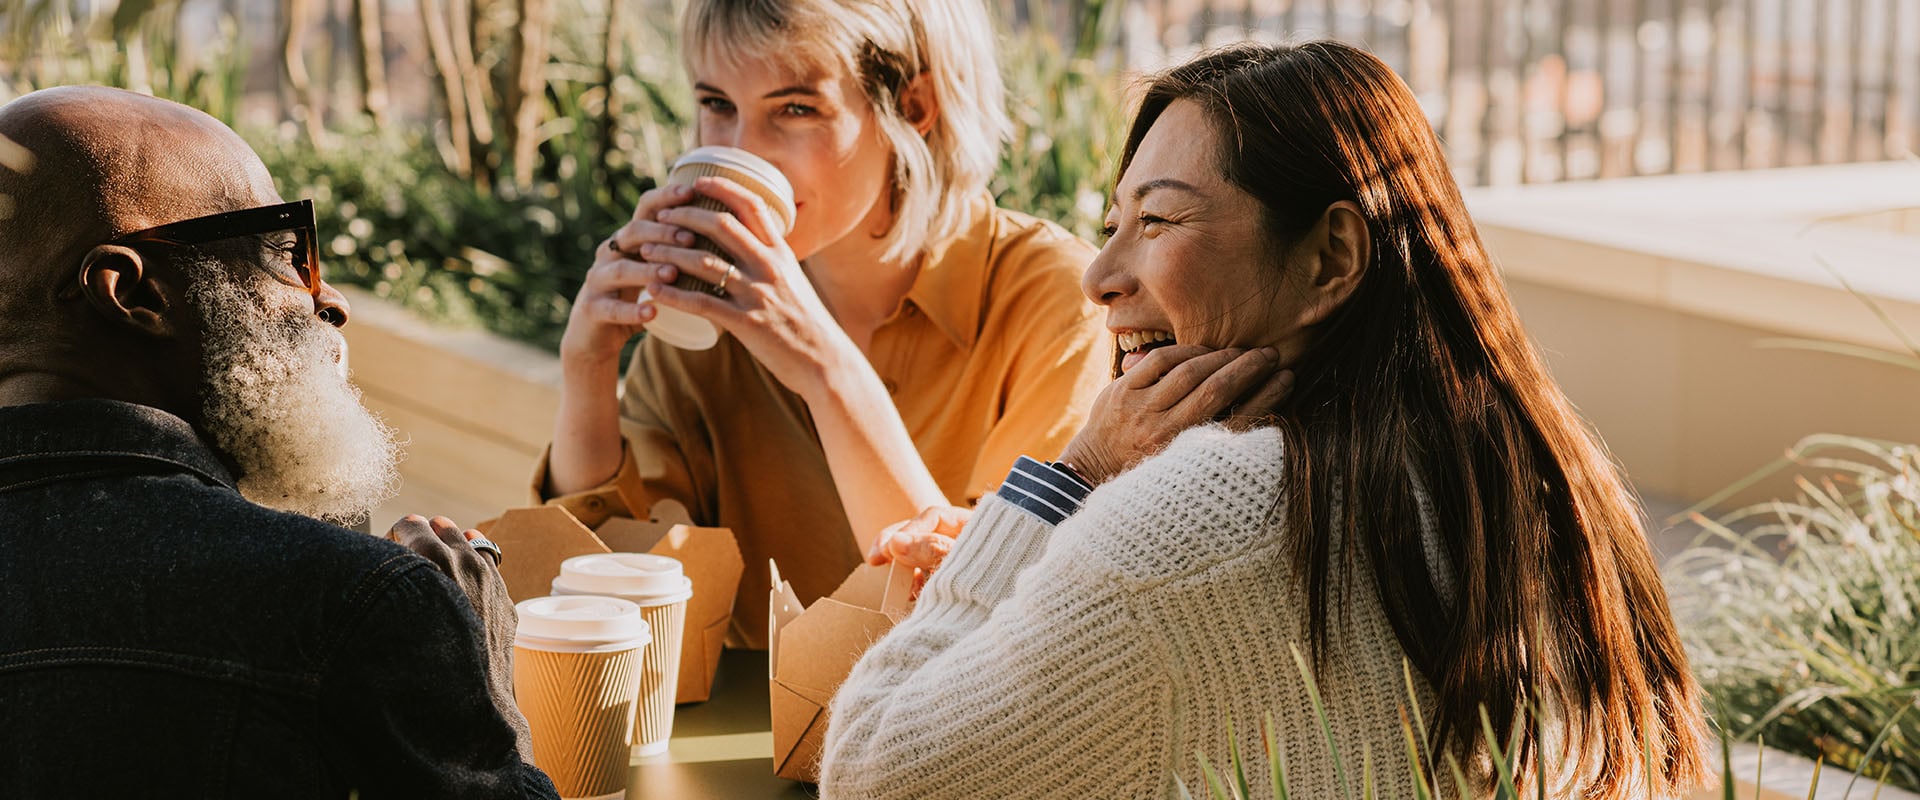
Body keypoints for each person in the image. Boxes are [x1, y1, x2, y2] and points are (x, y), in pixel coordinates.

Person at [822, 42, 1711, 799]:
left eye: (1159, 219)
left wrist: (1073, 474)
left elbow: (873, 772)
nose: (1099, 276)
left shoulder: (1208, 514)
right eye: (1112, 223)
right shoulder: (1536, 474)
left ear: (1331, 258)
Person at [0, 87, 557, 799]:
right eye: (283, 250)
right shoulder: (352, 603)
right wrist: (480, 679)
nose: (330, 298)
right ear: (134, 295)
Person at [540, 0, 1111, 645]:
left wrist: (826, 370)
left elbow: (989, 625)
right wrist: (586, 370)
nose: (741, 151)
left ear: (915, 107)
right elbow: (603, 589)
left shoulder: (1059, 300)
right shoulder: (706, 313)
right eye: (717, 104)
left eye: (795, 109)